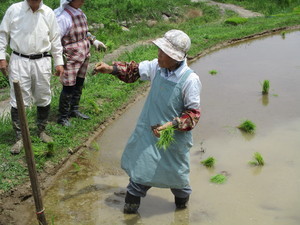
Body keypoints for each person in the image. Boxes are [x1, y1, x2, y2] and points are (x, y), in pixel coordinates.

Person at [94, 29, 202, 214]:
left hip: (173, 140)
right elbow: (133, 71)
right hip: (149, 135)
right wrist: (110, 69)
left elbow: (193, 115)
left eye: (164, 53)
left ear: (176, 58)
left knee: (178, 181)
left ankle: (182, 211)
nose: (159, 55)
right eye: (159, 51)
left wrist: (171, 125)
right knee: (139, 176)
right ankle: (129, 212)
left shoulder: (190, 80)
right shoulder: (157, 67)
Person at [0, 0, 64, 154]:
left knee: (43, 96)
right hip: (19, 60)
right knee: (18, 99)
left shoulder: (48, 12)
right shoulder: (14, 10)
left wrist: (59, 61)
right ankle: (20, 137)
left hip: (42, 61)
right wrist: (2, 58)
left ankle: (41, 130)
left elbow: (55, 38)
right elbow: (3, 34)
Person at [54, 0, 107, 127]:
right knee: (68, 85)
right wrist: (58, 61)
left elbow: (85, 32)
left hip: (84, 53)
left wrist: (94, 41)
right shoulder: (63, 17)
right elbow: (56, 39)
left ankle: (74, 109)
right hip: (71, 56)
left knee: (79, 82)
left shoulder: (81, 13)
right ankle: (63, 117)